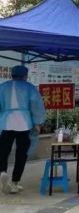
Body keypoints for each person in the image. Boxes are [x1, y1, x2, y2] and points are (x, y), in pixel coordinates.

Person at [0, 65, 46, 194]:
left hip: (6, 122)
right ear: (25, 76)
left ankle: (2, 171)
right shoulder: (29, 87)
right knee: (21, 153)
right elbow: (36, 105)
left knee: (3, 150)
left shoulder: (3, 87)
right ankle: (15, 182)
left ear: (12, 75)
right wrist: (37, 122)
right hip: (24, 123)